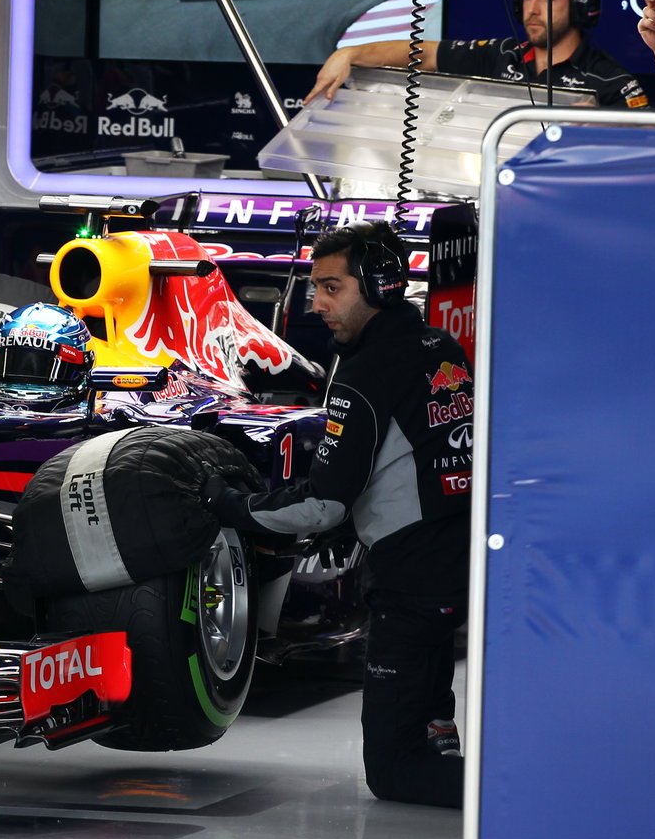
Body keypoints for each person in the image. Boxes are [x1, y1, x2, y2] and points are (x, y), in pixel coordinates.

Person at [199, 221, 472, 808]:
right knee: (430, 738)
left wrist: (228, 505)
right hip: (457, 566)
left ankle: (529, 795)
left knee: (394, 773)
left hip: (411, 580)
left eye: (331, 287)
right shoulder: (442, 348)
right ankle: (465, 754)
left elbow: (321, 504)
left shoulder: (365, 373)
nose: (315, 303)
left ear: (378, 284)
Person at [308, 0, 649, 110]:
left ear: (580, 7)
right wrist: (348, 53)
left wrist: (600, 133)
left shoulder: (612, 83)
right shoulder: (499, 55)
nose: (531, 9)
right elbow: (422, 53)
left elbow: (646, 159)